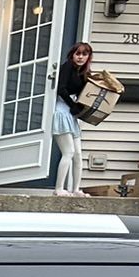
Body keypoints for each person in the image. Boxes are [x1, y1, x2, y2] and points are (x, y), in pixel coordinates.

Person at [52, 40, 95, 195]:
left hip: (72, 114)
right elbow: (61, 89)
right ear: (72, 55)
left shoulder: (82, 73)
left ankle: (76, 188)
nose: (80, 57)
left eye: (84, 54)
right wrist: (73, 105)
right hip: (62, 111)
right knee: (68, 152)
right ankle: (58, 189)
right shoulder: (68, 67)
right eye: (78, 53)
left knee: (78, 154)